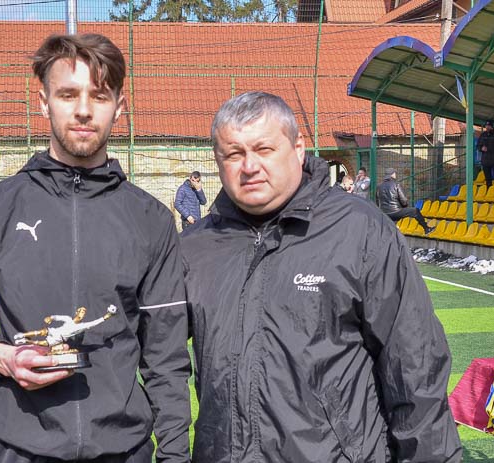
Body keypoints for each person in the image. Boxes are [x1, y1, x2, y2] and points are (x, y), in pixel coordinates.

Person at [0, 33, 191, 463]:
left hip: (123, 449)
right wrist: (2, 357)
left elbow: (166, 355)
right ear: (43, 102)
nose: (84, 110)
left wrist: (174, 455)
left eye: (100, 95)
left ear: (120, 106)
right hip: (13, 447)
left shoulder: (151, 220)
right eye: (68, 94)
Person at [180, 91, 461, 462]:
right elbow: (147, 351)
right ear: (218, 161)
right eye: (233, 154)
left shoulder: (360, 231)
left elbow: (415, 368)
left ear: (298, 148)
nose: (249, 166)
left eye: (264, 149)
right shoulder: (194, 248)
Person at [376, 167, 435, 234]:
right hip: (396, 212)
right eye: (395, 173)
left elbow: (378, 202)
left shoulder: (378, 186)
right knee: (415, 211)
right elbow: (404, 201)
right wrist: (404, 207)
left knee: (393, 226)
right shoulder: (396, 184)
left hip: (385, 213)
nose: (395, 175)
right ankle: (427, 229)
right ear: (392, 174)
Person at [477, 120, 494, 188]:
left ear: (492, 126)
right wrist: (481, 148)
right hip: (485, 160)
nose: (487, 127)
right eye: (486, 126)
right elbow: (478, 146)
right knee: (487, 179)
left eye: (489, 126)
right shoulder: (483, 135)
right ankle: (489, 190)